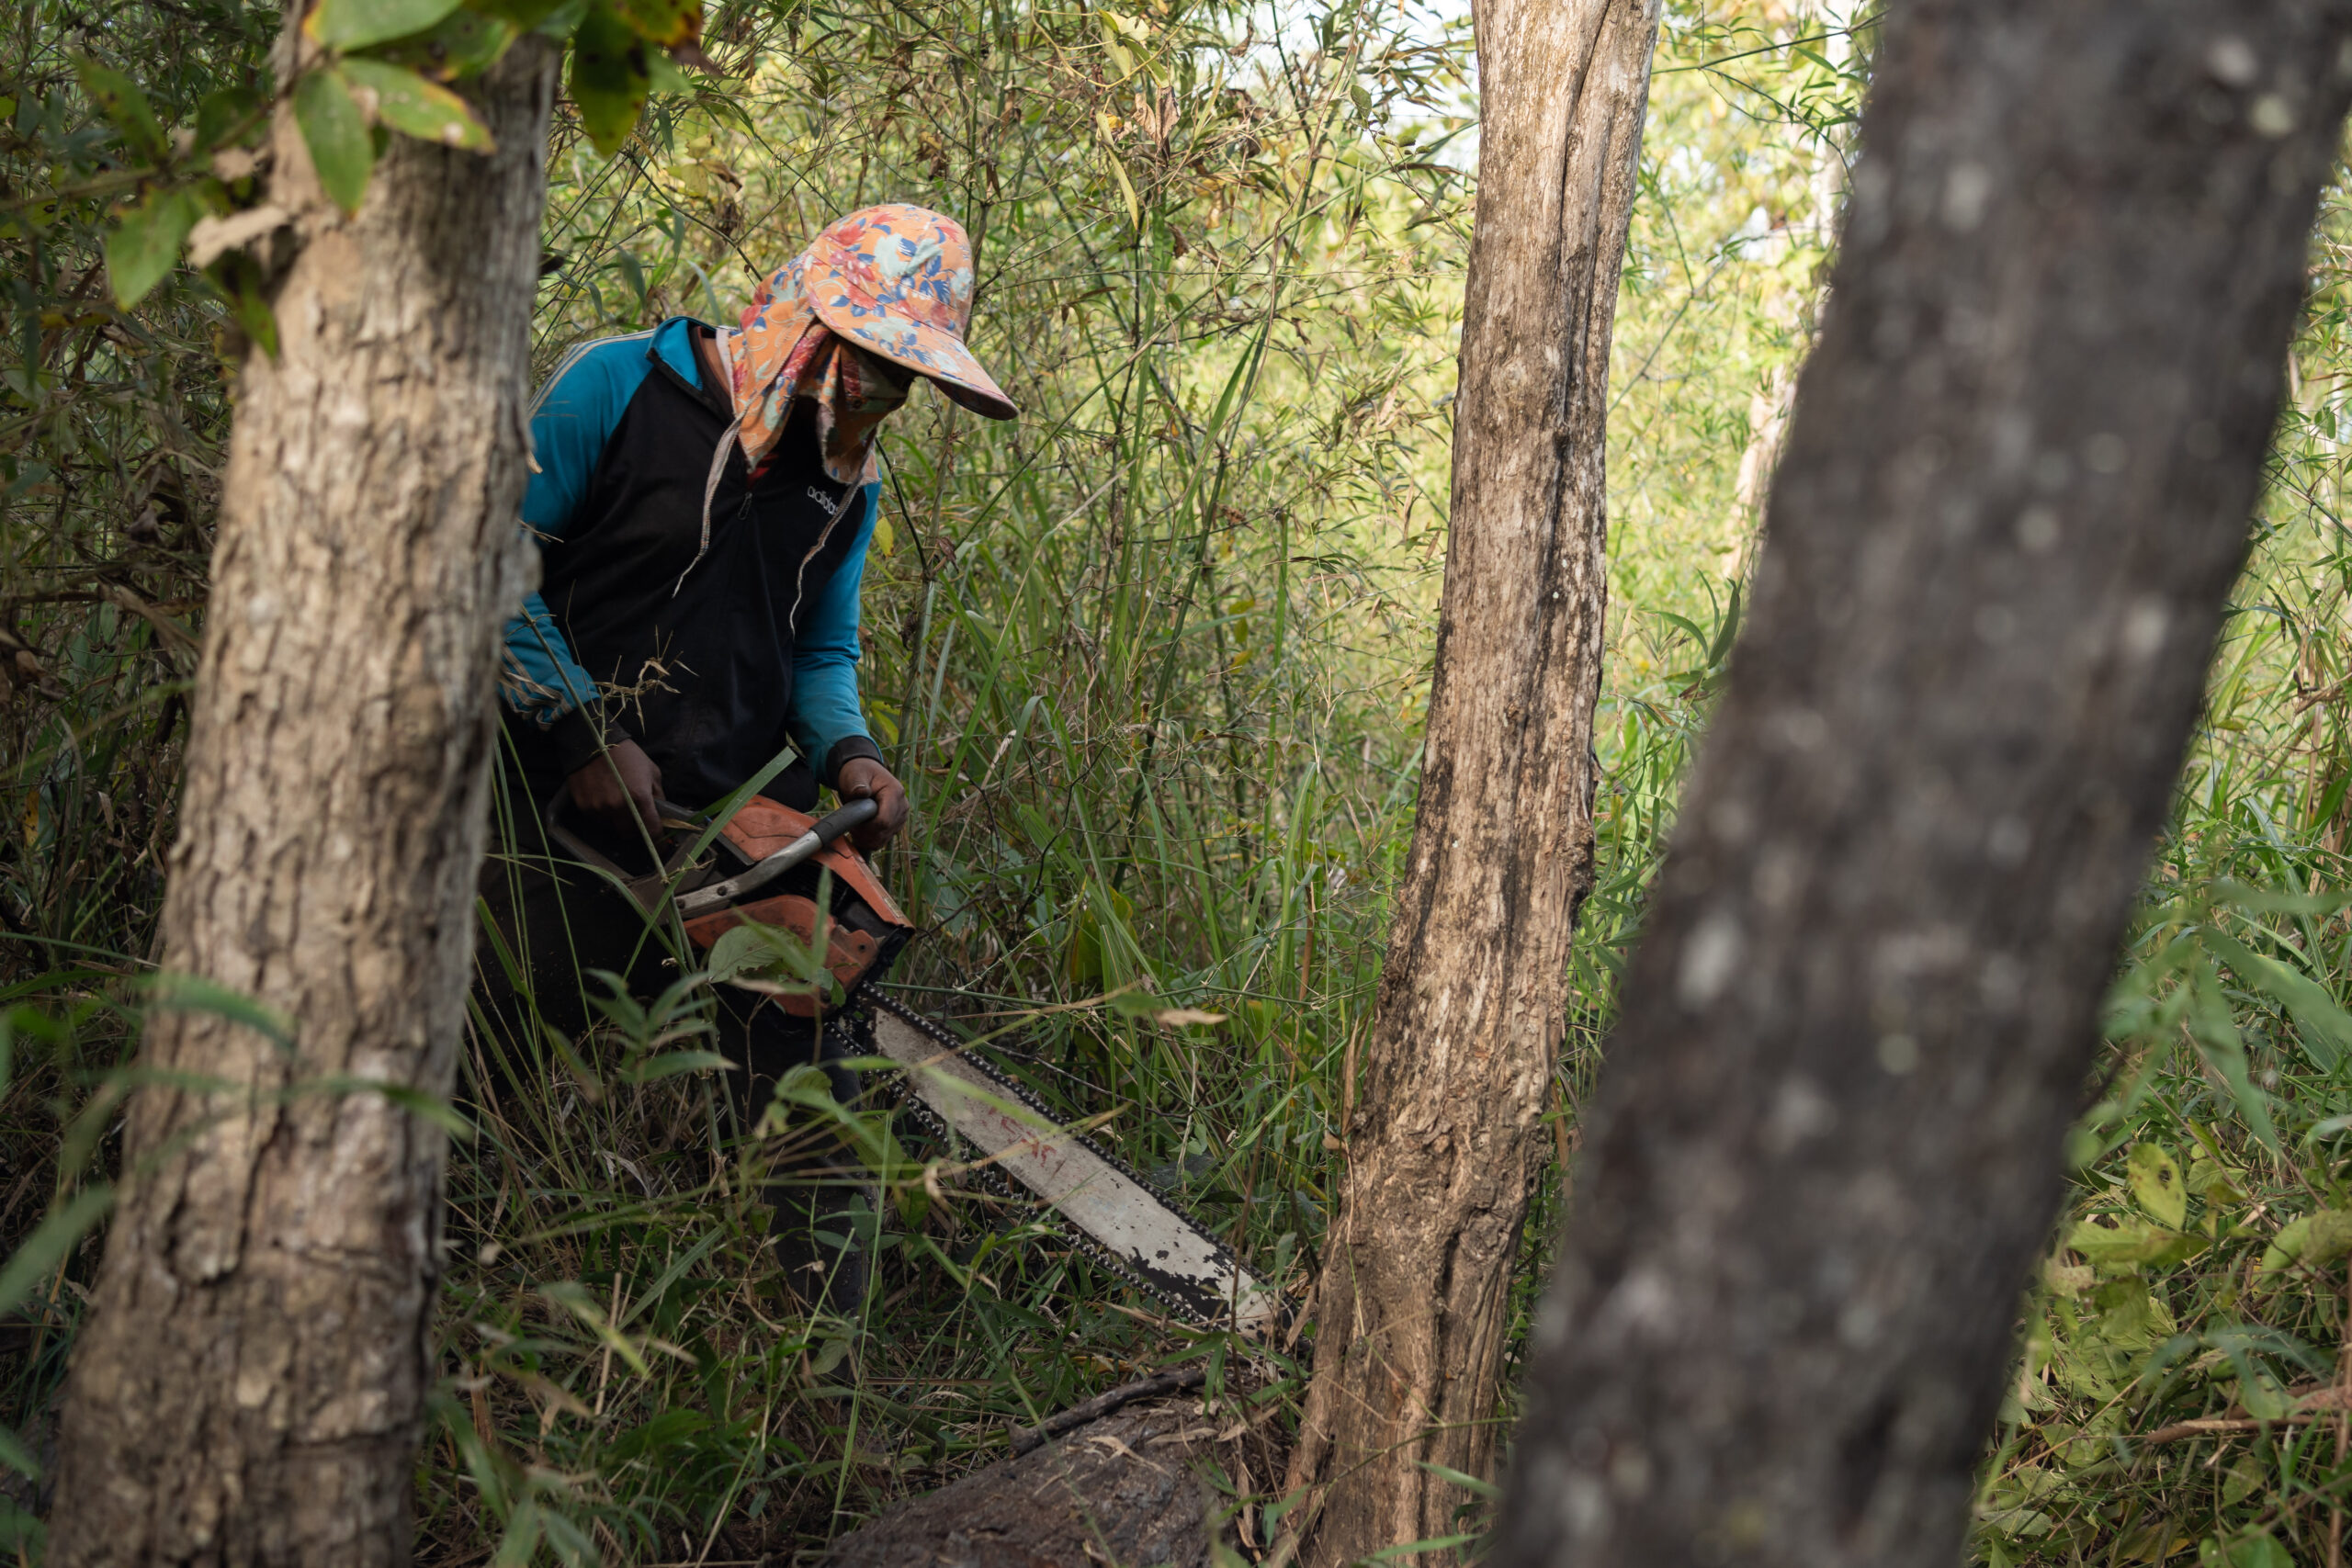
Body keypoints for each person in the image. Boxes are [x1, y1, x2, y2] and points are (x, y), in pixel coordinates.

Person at [472, 205, 1017, 1310]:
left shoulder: (844, 484)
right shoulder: (618, 390)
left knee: (812, 1083)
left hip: (723, 823)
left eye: (904, 379)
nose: (882, 396)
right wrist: (579, 725)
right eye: (871, 364)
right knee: (482, 1058)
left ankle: (822, 1375)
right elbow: (488, 558)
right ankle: (456, 1303)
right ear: (805, 325)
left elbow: (818, 644)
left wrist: (849, 752)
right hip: (534, 800)